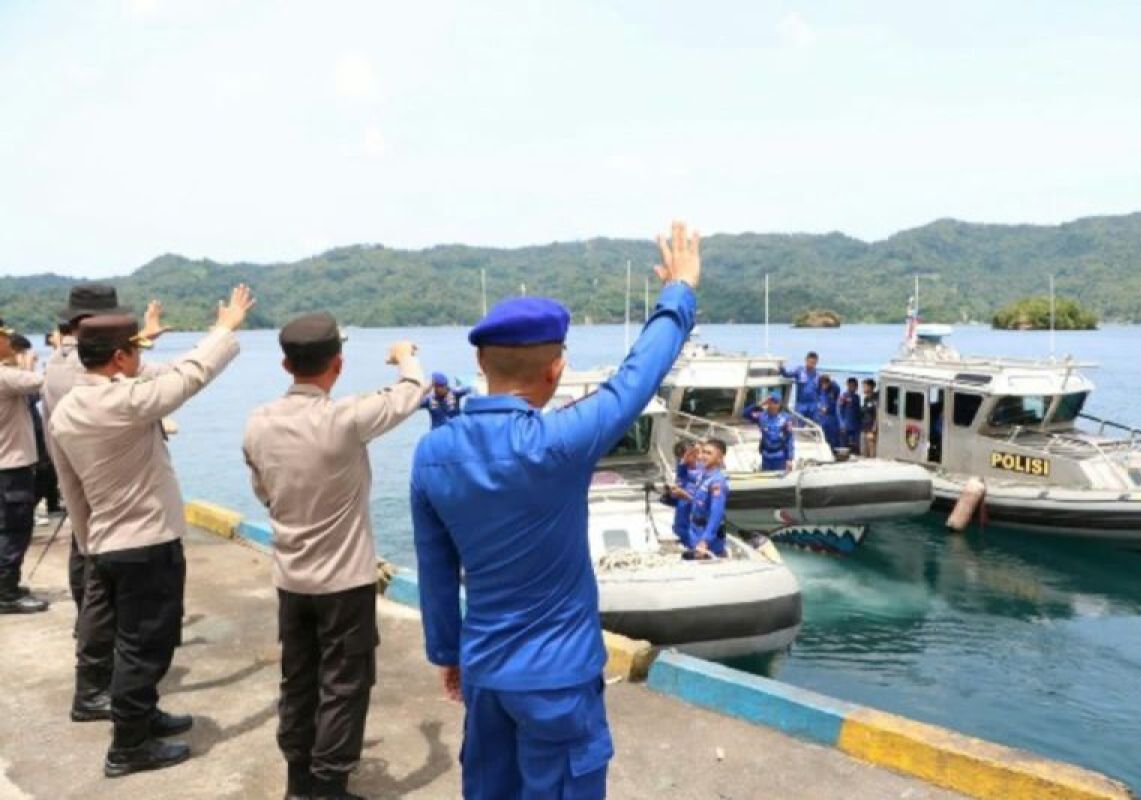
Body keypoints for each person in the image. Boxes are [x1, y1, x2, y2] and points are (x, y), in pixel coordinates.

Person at [411, 220, 700, 800]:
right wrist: (680, 292)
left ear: (483, 367)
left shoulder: (432, 452)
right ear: (555, 370)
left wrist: (449, 652)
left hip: (486, 674)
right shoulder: (559, 443)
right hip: (559, 681)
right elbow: (635, 379)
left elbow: (436, 571)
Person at [50, 285, 253, 778]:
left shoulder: (68, 408)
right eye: (136, 351)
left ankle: (141, 715)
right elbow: (192, 374)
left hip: (108, 544)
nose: (140, 358)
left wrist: (90, 542)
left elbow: (70, 490)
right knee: (147, 645)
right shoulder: (126, 402)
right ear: (119, 358)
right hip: (145, 545)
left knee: (132, 642)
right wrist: (224, 329)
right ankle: (128, 748)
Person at [242, 313, 425, 800]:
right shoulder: (345, 418)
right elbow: (412, 391)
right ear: (338, 364)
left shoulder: (258, 422)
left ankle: (299, 781)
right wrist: (405, 356)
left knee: (298, 679)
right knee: (344, 684)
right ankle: (327, 786)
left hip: (291, 579)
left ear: (285, 363)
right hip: (344, 583)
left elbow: (264, 492)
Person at [43, 284, 171, 725]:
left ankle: (107, 691)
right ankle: (95, 692)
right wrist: (84, 526)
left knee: (105, 605)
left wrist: (143, 343)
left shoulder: (79, 365)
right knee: (101, 607)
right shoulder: (66, 374)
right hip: (100, 508)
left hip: (101, 506)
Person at [0, 324, 50, 614]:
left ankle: (7, 584)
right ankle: (6, 592)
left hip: (7, 464)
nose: (10, 342)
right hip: (11, 466)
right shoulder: (6, 377)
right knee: (14, 529)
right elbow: (43, 382)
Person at [684, 438, 730, 559]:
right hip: (695, 532)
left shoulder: (717, 481)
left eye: (709, 453)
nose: (704, 456)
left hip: (708, 539)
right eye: (703, 452)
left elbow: (716, 514)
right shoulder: (702, 475)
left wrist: (705, 540)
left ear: (719, 459)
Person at [741, 391, 794, 471]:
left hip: (780, 455)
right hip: (766, 455)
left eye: (775, 402)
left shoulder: (786, 418)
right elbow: (745, 413)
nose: (773, 405)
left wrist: (789, 459)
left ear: (779, 404)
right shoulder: (761, 416)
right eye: (771, 402)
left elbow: (789, 438)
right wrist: (759, 404)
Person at [663, 441, 701, 547]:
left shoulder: (703, 471)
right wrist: (671, 493)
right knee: (681, 530)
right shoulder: (682, 468)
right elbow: (680, 482)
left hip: (694, 512)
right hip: (682, 511)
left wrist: (686, 495)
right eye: (680, 457)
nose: (682, 460)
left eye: (686, 455)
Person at [780, 351, 820, 420]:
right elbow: (787, 374)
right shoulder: (799, 371)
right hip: (801, 405)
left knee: (815, 426)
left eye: (814, 363)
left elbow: (821, 392)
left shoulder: (818, 375)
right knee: (798, 425)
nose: (812, 365)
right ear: (806, 360)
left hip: (813, 405)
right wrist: (781, 368)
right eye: (810, 362)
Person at [837, 377, 863, 455]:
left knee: (856, 446)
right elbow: (839, 411)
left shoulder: (857, 397)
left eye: (855, 386)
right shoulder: (843, 396)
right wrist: (841, 424)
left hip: (856, 426)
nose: (853, 387)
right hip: (846, 425)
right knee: (844, 446)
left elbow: (858, 411)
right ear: (847, 385)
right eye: (851, 385)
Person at [814, 374, 841, 447]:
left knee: (833, 438)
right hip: (821, 418)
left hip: (832, 418)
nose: (824, 386)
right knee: (822, 437)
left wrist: (831, 381)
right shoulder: (819, 391)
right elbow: (815, 400)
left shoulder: (833, 389)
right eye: (823, 384)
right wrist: (820, 408)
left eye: (826, 384)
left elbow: (837, 388)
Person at [861, 378, 879, 458]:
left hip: (871, 430)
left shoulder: (876, 399)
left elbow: (877, 415)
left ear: (871, 387)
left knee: (872, 453)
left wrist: (873, 429)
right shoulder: (865, 399)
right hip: (864, 428)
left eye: (865, 386)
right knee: (864, 453)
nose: (863, 388)